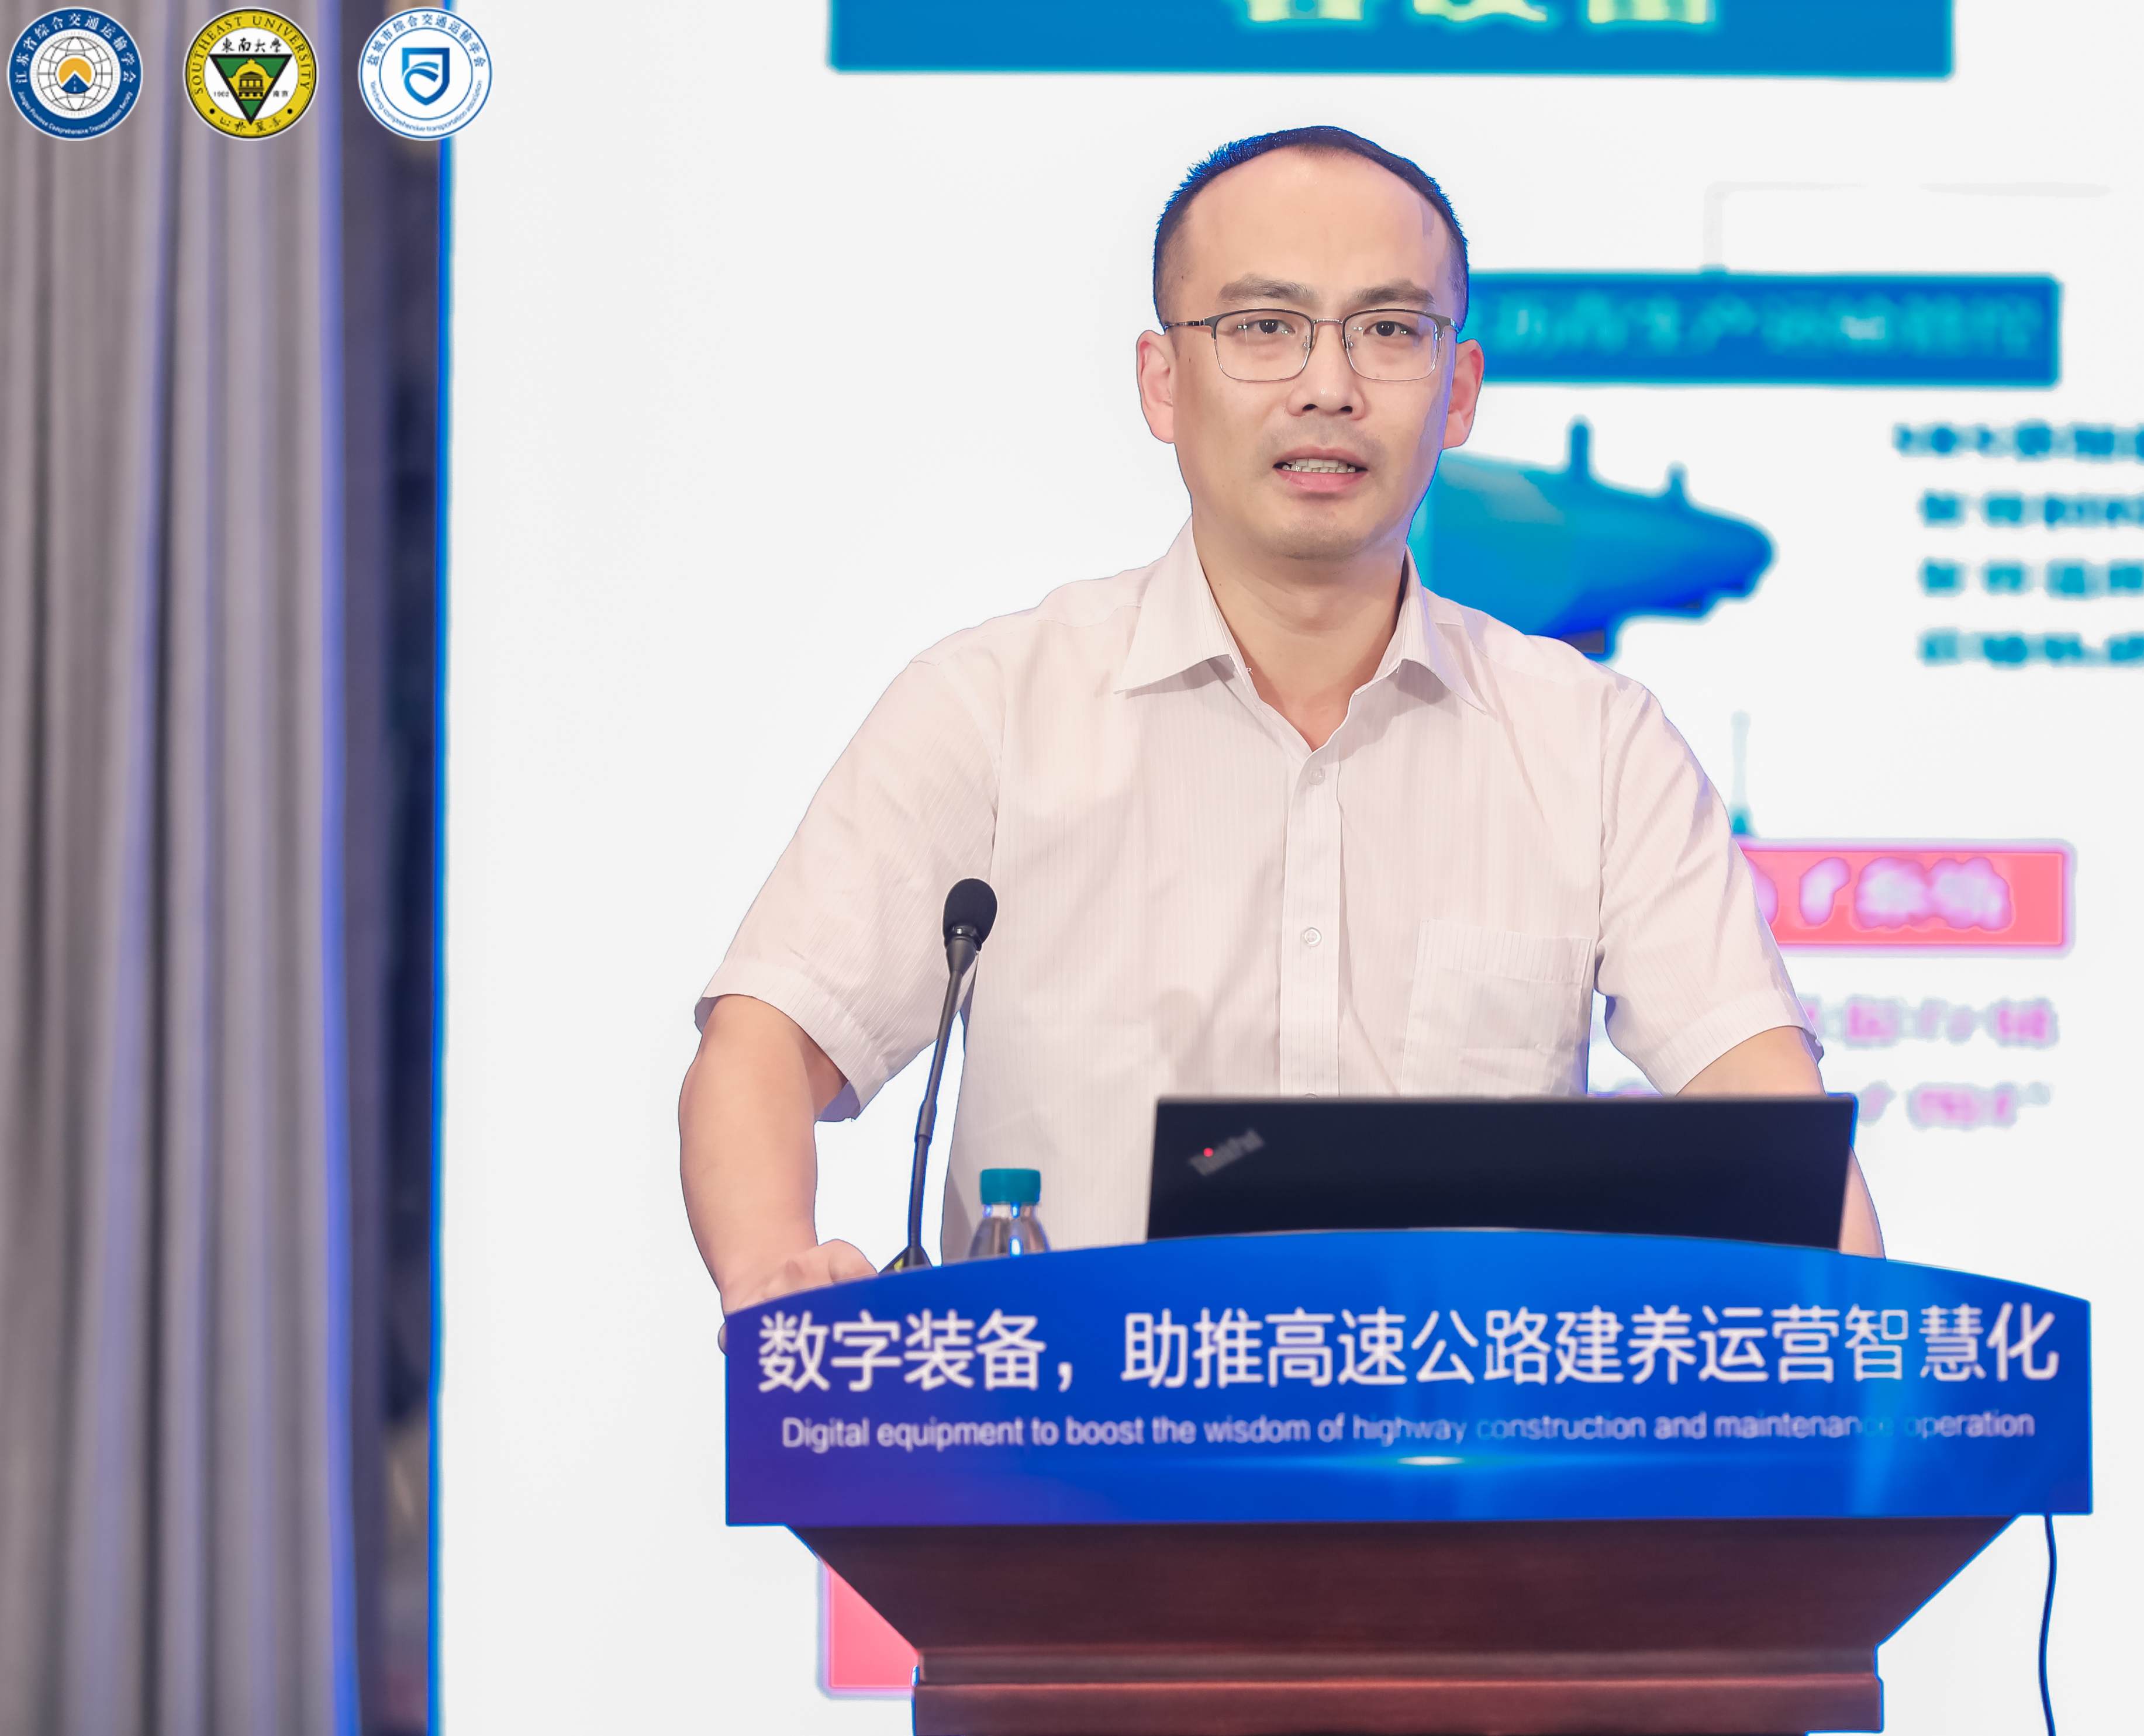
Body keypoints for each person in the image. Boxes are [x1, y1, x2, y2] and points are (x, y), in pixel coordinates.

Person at [679, 126, 1881, 1319]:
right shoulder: (991, 705)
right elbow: (767, 1041)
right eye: (1264, 327)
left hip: (1462, 1437)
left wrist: (1865, 1370)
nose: (1327, 386)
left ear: (1459, 390)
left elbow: (1766, 1121)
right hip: (1069, 1433)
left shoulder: (1594, 744)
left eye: (1389, 331)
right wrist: (772, 1269)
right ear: (1162, 380)